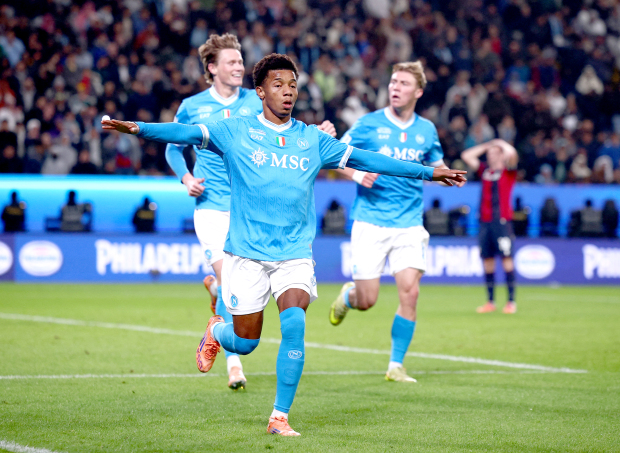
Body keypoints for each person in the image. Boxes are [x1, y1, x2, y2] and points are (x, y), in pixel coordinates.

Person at [102, 53, 466, 437]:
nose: (288, 92)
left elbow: (369, 159)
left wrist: (429, 173)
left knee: (295, 324)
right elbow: (186, 134)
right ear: (260, 92)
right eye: (278, 85)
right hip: (247, 253)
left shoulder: (312, 139)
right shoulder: (236, 131)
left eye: (292, 85)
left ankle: (279, 416)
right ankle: (217, 331)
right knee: (245, 342)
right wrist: (139, 129)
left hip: (294, 254)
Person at [164, 34, 337, 391]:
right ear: (212, 68)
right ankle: (234, 365)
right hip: (213, 207)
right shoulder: (193, 105)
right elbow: (173, 147)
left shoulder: (257, 99)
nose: (239, 67)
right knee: (228, 280)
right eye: (231, 61)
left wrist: (317, 135)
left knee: (230, 288)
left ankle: (220, 315)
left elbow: (287, 137)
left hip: (251, 209)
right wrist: (186, 177)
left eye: (241, 61)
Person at [329, 61, 465, 384]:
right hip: (371, 221)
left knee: (410, 293)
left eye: (403, 83)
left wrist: (449, 176)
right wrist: (357, 174)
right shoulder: (368, 124)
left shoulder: (426, 130)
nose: (395, 88)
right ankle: (349, 297)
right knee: (368, 300)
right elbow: (333, 155)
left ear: (418, 92)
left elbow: (436, 166)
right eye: (393, 82)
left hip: (409, 223)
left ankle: (395, 365)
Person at [461, 139, 518, 314]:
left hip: (502, 222)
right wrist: (486, 145)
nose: (490, 156)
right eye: (489, 154)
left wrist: (500, 143)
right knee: (488, 261)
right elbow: (466, 155)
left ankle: (511, 302)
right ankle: (490, 302)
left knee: (506, 259)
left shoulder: (508, 171)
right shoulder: (485, 171)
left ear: (502, 155)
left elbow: (513, 155)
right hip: (485, 223)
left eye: (494, 153)